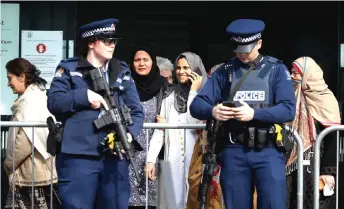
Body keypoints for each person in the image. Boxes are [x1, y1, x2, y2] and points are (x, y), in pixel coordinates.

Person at [189, 19, 296, 209]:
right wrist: (213, 110)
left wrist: (253, 114)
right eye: (238, 50)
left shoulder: (276, 70)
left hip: (268, 151)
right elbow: (197, 105)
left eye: (247, 50)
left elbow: (288, 109)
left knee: (272, 204)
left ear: (259, 43)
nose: (243, 55)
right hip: (234, 151)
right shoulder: (225, 71)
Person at [47, 18, 144, 209]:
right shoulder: (69, 69)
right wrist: (83, 96)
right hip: (78, 157)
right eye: (107, 40)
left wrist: (130, 135)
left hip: (114, 156)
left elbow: (136, 110)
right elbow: (54, 102)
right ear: (91, 43)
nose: (112, 45)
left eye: (114, 41)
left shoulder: (121, 70)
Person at [145, 52, 207, 209]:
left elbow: (195, 119)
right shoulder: (170, 96)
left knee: (196, 199)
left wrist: (193, 91)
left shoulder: (205, 96)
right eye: (178, 68)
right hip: (173, 159)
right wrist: (150, 160)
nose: (181, 71)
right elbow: (160, 132)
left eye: (186, 67)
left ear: (196, 69)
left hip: (197, 158)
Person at [3, 58, 60, 209]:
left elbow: (25, 141)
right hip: (39, 172)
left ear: (22, 77)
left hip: (30, 176)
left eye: (10, 78)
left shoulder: (28, 102)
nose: (8, 83)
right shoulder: (38, 96)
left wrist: (8, 163)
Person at [286, 56, 341, 209]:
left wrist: (327, 170)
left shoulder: (326, 100)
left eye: (296, 73)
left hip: (317, 162)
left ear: (307, 75)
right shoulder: (293, 96)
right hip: (292, 161)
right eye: (292, 72)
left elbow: (332, 137)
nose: (292, 76)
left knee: (315, 202)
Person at [128, 45, 173, 209]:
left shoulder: (162, 85)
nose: (141, 63)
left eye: (145, 60)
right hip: (129, 149)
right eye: (137, 60)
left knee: (154, 200)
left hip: (154, 149)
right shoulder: (126, 85)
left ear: (152, 62)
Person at [186, 63, 224, 209]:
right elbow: (194, 118)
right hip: (206, 148)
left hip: (230, 152)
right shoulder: (205, 104)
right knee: (198, 189)